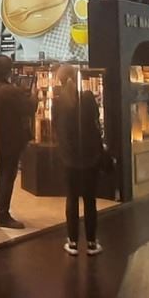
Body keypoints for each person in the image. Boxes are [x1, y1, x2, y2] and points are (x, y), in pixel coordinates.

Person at [52, 65, 103, 256]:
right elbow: (96, 120)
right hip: (90, 156)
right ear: (77, 76)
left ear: (60, 80)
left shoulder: (57, 103)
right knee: (90, 200)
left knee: (72, 199)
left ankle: (72, 242)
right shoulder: (88, 98)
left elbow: (57, 128)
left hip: (69, 158)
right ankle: (92, 243)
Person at [0, 55, 32, 229]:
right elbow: (29, 108)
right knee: (8, 174)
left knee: (1, 172)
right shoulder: (11, 91)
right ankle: (3, 214)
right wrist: (32, 95)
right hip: (11, 137)